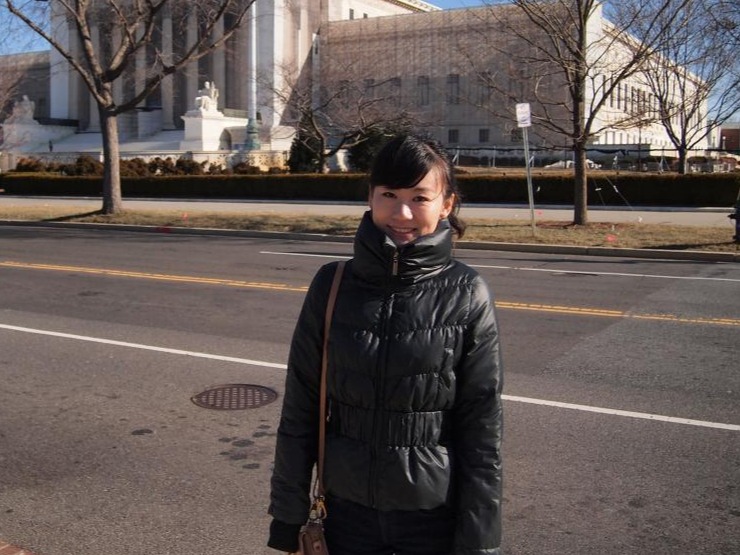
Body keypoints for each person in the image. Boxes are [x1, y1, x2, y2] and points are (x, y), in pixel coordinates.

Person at [268, 134, 504, 555]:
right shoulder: (332, 285)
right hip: (345, 517)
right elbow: (301, 407)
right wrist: (288, 514)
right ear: (370, 197)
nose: (402, 213)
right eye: (390, 195)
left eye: (420, 198)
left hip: (432, 519)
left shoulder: (467, 292)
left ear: (446, 205)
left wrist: (479, 541)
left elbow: (482, 428)